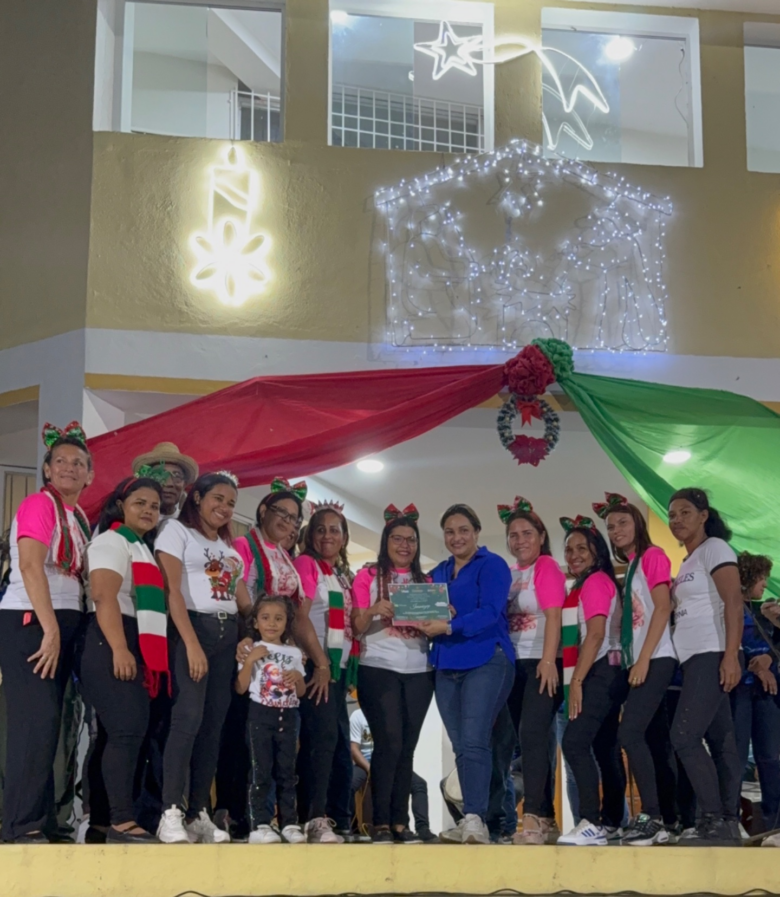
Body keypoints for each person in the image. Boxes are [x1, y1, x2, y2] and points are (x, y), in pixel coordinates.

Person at [0, 421, 93, 843]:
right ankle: (21, 825)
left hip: (62, 621)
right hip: (32, 619)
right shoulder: (39, 504)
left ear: (89, 475)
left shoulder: (79, 517)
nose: (69, 467)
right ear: (47, 469)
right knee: (34, 722)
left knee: (53, 724)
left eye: (78, 463)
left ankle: (44, 818)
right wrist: (51, 630)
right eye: (61, 461)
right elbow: (29, 565)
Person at [154, 471, 251, 844]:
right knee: (187, 721)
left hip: (227, 638)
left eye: (231, 503)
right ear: (197, 497)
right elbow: (172, 591)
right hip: (192, 629)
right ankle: (169, 812)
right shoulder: (176, 531)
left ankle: (197, 812)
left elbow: (244, 603)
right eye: (218, 499)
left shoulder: (229, 549)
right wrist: (191, 642)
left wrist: (252, 633)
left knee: (213, 727)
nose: (224, 508)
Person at [80, 471, 170, 843]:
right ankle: (121, 820)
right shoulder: (111, 541)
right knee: (126, 731)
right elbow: (103, 596)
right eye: (140, 503)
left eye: (155, 506)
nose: (148, 510)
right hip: (110, 638)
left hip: (131, 637)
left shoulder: (142, 547)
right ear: (121, 506)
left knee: (116, 734)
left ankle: (102, 822)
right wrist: (119, 647)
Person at [418, 504, 514, 845]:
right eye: (449, 531)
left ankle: (477, 818)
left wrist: (450, 624)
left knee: (475, 741)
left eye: (463, 530)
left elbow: (490, 611)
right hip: (446, 664)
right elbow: (422, 606)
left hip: (487, 658)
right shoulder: (439, 572)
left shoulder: (493, 565)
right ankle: (472, 818)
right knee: (461, 745)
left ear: (476, 532)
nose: (456, 537)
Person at [221, 478, 306, 836]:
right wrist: (252, 635)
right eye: (281, 513)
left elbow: (294, 610)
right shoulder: (243, 545)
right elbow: (238, 592)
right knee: (245, 743)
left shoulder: (285, 555)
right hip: (250, 643)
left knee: (282, 762)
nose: (288, 522)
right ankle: (243, 817)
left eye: (294, 517)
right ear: (262, 511)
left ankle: (280, 821)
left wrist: (294, 652)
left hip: (278, 651)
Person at [594, 492, 677, 846]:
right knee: (655, 740)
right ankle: (670, 819)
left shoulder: (652, 556)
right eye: (611, 526)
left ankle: (652, 816)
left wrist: (643, 659)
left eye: (623, 522)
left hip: (655, 658)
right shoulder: (631, 566)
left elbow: (663, 608)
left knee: (629, 734)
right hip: (639, 660)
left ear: (638, 523)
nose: (616, 530)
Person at [351, 504, 435, 844]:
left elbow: (436, 626)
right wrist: (373, 609)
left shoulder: (427, 582)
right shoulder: (367, 577)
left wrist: (442, 615)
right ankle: (380, 821)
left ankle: (401, 821)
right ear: (385, 542)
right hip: (377, 667)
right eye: (397, 538)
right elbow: (356, 627)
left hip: (420, 670)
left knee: (408, 747)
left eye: (411, 539)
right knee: (388, 742)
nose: (404, 545)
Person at [667, 487, 743, 846]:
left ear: (703, 516)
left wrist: (730, 654)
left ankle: (713, 819)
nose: (677, 520)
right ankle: (727, 822)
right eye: (672, 515)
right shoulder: (688, 562)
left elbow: (734, 601)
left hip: (712, 653)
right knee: (721, 739)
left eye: (685, 512)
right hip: (694, 658)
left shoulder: (715, 548)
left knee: (683, 737)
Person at [499, 497, 566, 846]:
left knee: (533, 735)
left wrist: (548, 660)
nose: (520, 540)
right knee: (529, 741)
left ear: (541, 536)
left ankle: (533, 817)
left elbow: (554, 615)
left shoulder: (547, 566)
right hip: (515, 666)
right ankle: (548, 818)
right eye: (513, 535)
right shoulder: (511, 574)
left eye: (527, 533)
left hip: (542, 662)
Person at [558, 515, 625, 847]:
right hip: (605, 671)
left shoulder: (596, 582)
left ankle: (591, 822)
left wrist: (577, 682)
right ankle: (611, 822)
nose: (574, 555)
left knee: (574, 742)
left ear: (597, 552)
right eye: (569, 550)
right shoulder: (585, 583)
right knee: (604, 746)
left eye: (581, 548)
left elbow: (595, 635)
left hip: (599, 671)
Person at [293, 501, 357, 844]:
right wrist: (320, 663)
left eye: (334, 530)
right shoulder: (307, 564)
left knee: (337, 744)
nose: (327, 535)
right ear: (310, 535)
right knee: (320, 743)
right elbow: (299, 618)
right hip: (316, 667)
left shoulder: (341, 575)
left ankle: (336, 817)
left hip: (338, 670)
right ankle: (312, 818)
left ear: (344, 537)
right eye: (320, 529)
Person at [236, 593, 306, 845]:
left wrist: (298, 678)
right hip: (260, 715)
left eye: (278, 618)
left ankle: (289, 823)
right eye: (265, 618)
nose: (272, 623)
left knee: (287, 772)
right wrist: (249, 662)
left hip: (288, 717)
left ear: (287, 622)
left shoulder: (294, 652)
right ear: (255, 622)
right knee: (260, 771)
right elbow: (240, 688)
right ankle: (259, 824)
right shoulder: (251, 649)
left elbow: (301, 692)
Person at [728, 553, 780, 839]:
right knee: (735, 756)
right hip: (739, 689)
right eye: (762, 578)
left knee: (770, 757)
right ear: (749, 578)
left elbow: (774, 647)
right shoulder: (729, 607)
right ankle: (729, 819)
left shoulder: (766, 612)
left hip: (767, 693)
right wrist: (757, 667)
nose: (765, 585)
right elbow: (732, 645)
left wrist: (769, 659)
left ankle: (775, 824)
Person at [349, 706, 437, 842]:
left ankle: (422, 828)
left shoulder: (395, 716)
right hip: (365, 764)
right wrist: (371, 769)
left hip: (392, 765)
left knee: (419, 784)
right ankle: (351, 828)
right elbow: (354, 749)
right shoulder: (358, 715)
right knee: (348, 783)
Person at [131, 443, 199, 521]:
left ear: (184, 485)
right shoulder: (135, 522)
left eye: (177, 476)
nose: (169, 483)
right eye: (160, 475)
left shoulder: (191, 523)